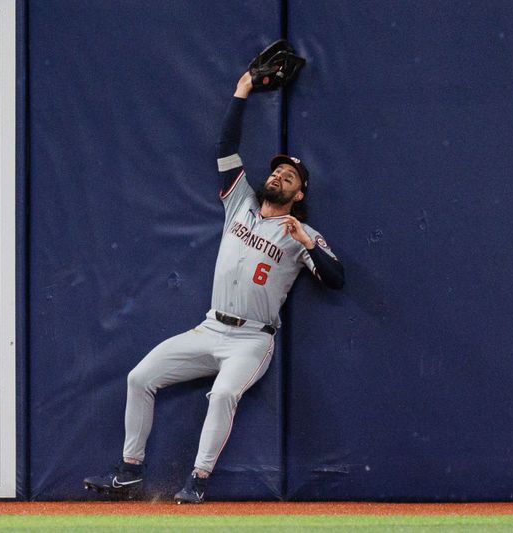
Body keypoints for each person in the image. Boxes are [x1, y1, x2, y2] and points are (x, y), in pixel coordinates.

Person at [83, 70, 344, 504]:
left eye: (290, 177)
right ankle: (129, 472)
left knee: (223, 393)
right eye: (278, 170)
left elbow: (336, 280)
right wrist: (243, 89)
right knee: (139, 377)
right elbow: (225, 148)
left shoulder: (302, 233)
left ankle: (198, 482)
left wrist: (304, 242)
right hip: (210, 329)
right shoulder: (240, 201)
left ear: (299, 195)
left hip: (251, 339)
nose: (280, 176)